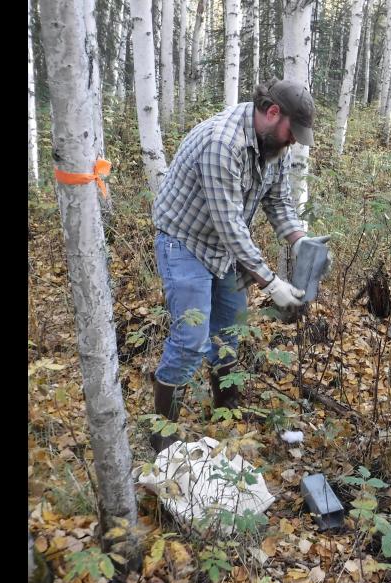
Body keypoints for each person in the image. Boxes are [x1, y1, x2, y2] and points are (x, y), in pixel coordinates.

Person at [150, 78, 331, 452]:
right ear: (272, 112)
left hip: (225, 250)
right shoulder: (222, 143)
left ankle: (224, 415)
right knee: (191, 340)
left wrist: (299, 240)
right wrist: (271, 283)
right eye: (291, 131)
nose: (293, 140)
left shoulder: (273, 148)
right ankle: (161, 436)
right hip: (184, 242)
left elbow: (278, 202)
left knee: (229, 333)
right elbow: (230, 225)